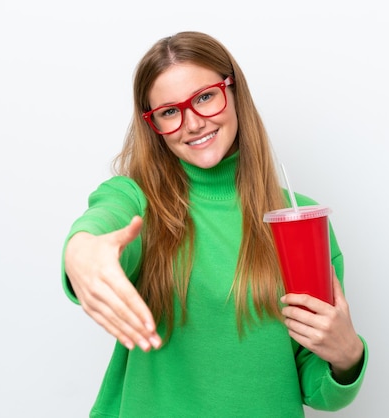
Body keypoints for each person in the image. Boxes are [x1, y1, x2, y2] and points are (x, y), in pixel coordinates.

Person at [62, 31, 368, 418]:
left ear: (234, 90)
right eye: (169, 112)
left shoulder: (299, 219)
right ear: (152, 124)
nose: (192, 123)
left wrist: (346, 357)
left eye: (205, 97)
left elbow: (316, 386)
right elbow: (104, 218)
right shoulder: (138, 202)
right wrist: (83, 251)